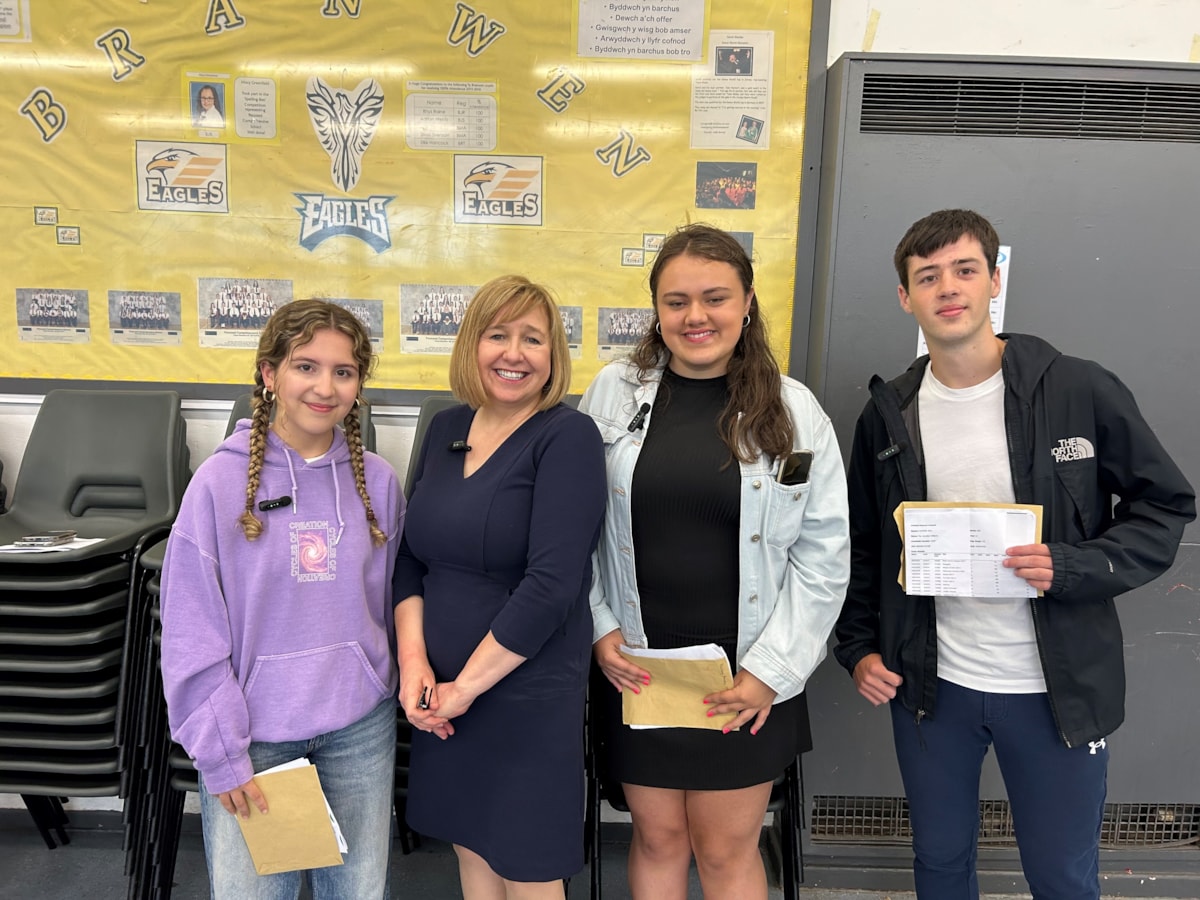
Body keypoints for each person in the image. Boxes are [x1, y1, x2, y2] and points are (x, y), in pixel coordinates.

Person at [834, 209, 1196, 900]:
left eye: (966, 270)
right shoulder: (890, 413)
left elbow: (1165, 507)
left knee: (1061, 876)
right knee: (940, 866)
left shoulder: (1075, 388)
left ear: (994, 281)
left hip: (1054, 692)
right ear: (906, 297)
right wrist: (858, 649)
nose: (949, 288)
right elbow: (863, 543)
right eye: (928, 276)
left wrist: (1073, 565)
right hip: (931, 691)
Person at [578, 223, 851, 899]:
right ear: (657, 310)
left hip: (747, 676)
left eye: (715, 297)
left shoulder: (794, 413)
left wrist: (771, 672)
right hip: (640, 669)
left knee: (726, 849)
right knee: (657, 839)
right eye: (676, 301)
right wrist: (601, 626)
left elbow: (825, 556)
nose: (695, 316)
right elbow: (575, 528)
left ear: (747, 301)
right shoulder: (613, 394)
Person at [161, 299, 403, 899]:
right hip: (257, 736)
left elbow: (396, 602)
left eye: (343, 372)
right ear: (270, 375)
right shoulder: (217, 485)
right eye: (305, 367)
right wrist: (221, 754)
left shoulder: (380, 482)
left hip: (359, 729)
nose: (325, 387)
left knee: (356, 893)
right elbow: (192, 629)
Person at [394, 275, 606, 898]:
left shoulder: (566, 438)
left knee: (528, 870)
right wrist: (415, 667)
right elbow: (409, 558)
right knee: (472, 853)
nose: (514, 353)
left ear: (552, 357)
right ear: (471, 345)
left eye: (532, 339)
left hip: (523, 697)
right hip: (441, 693)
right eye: (498, 335)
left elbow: (552, 584)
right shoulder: (445, 427)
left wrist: (465, 687)